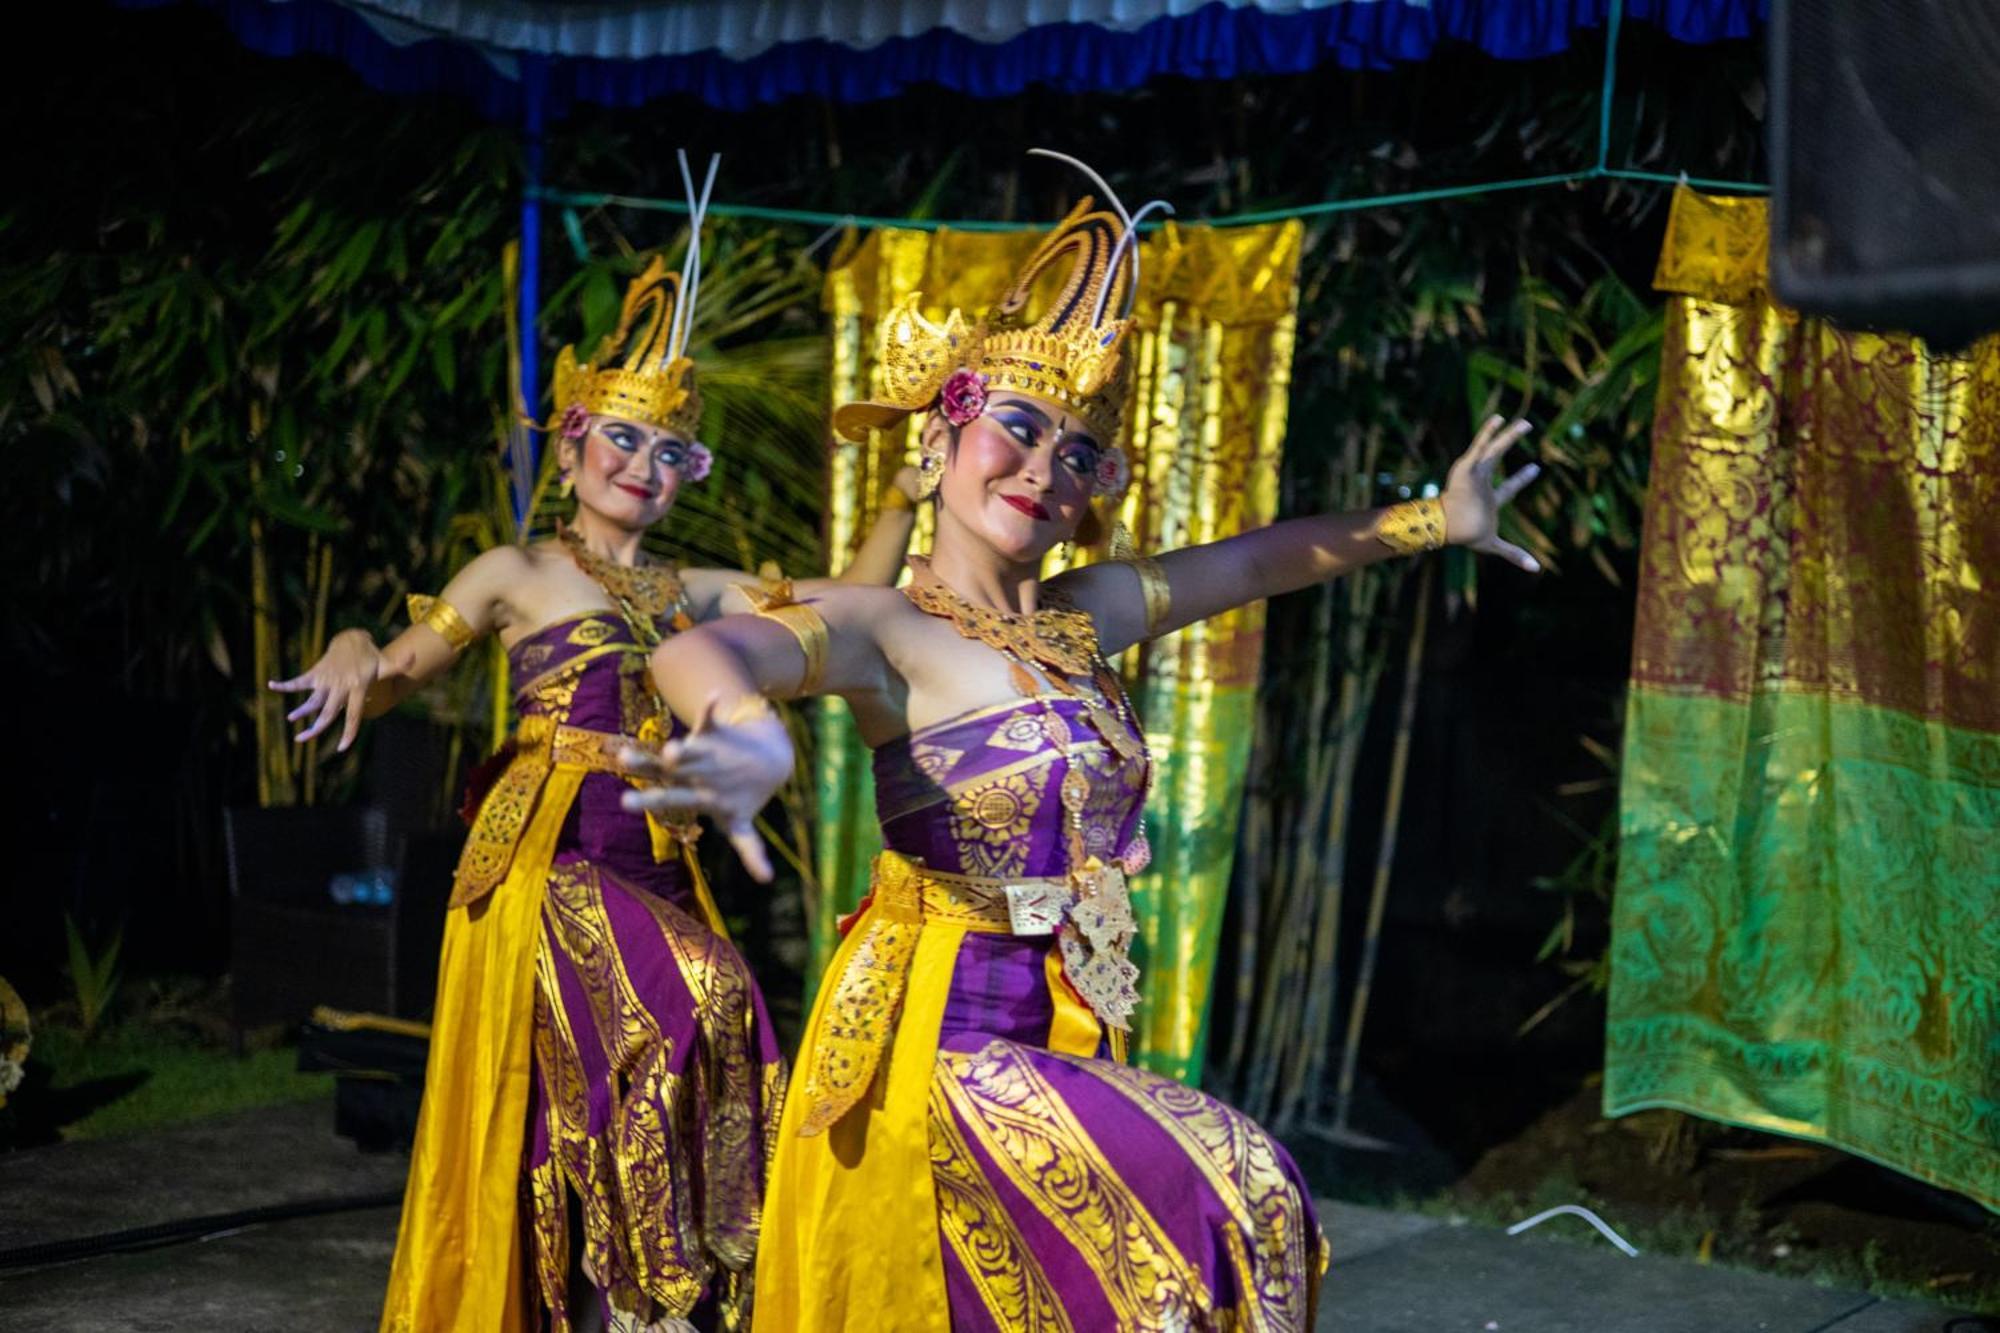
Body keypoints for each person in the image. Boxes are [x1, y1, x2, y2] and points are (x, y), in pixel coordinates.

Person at [620, 153, 1540, 1330]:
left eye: (1077, 452)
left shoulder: (1083, 614)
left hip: (1069, 1024)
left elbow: (1262, 558)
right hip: (934, 1049)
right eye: (1015, 425)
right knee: (1239, 1189)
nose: (1042, 468)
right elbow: (714, 651)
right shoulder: (882, 625)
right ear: (945, 422)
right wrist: (745, 736)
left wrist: (1432, 520)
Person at [269, 155, 922, 1333]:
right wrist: (357, 642)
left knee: (635, 1076)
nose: (647, 466)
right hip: (549, 857)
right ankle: (654, 1292)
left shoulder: (691, 589)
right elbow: (407, 664)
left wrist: (906, 490)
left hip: (656, 861)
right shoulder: (514, 570)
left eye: (675, 452)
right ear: (570, 443)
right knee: (705, 1003)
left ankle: (616, 1298)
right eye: (624, 439)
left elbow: (855, 606)